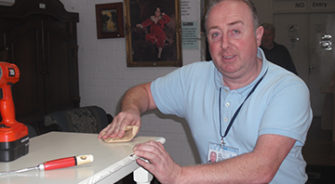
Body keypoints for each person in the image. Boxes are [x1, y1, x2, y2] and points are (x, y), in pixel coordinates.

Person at [99, 0, 312, 183]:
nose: (225, 44)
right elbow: (142, 92)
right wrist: (131, 109)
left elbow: (262, 167)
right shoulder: (193, 77)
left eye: (235, 31)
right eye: (215, 34)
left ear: (258, 36)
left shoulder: (288, 88)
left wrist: (178, 175)